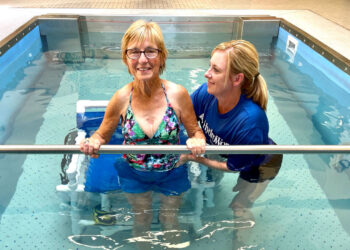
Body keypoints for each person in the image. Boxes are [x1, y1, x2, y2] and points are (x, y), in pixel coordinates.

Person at [80, 20, 205, 247]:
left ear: (162, 56)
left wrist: (197, 139)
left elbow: (195, 131)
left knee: (170, 220)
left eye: (150, 51)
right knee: (142, 218)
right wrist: (93, 142)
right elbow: (102, 135)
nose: (143, 59)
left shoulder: (177, 94)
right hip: (134, 172)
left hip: (172, 170)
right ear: (126, 59)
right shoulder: (120, 98)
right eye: (134, 52)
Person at [180, 40, 282, 247]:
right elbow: (184, 113)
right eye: (210, 66)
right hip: (228, 151)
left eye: (215, 70)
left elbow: (230, 166)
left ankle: (239, 244)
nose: (206, 74)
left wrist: (192, 157)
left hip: (261, 164)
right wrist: (197, 133)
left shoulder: (250, 121)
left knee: (239, 204)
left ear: (237, 79)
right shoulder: (207, 93)